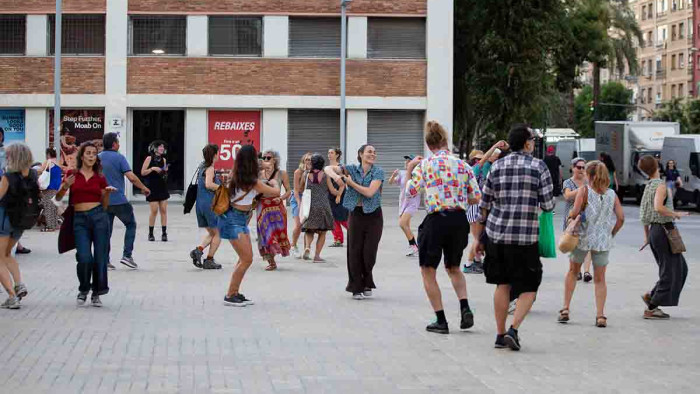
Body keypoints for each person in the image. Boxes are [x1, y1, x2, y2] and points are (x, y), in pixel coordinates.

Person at [473, 124, 555, 351]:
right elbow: (548, 204)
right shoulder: (539, 167)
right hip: (525, 238)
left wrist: (479, 239)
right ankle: (514, 329)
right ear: (527, 143)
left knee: (502, 284)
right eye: (533, 140)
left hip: (497, 236)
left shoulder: (496, 166)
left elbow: (484, 205)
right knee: (530, 286)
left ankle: (499, 335)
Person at [405, 121, 481, 334]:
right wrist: (460, 197)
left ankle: (441, 320)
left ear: (429, 145)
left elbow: (411, 192)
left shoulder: (425, 165)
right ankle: (464, 306)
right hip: (459, 220)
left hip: (436, 220)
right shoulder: (463, 165)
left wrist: (411, 170)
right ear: (446, 142)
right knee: (454, 267)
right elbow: (477, 196)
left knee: (428, 270)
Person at [558, 161, 624, 328]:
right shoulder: (611, 194)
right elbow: (621, 218)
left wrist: (573, 216)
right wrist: (611, 233)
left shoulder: (584, 190)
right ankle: (600, 315)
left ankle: (565, 308)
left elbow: (574, 212)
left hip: (582, 238)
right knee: (600, 279)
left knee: (573, 272)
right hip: (602, 241)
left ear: (591, 175)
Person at [56, 142, 116, 307]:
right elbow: (59, 198)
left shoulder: (100, 177)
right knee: (84, 257)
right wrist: (65, 186)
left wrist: (107, 194)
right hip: (79, 218)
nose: (91, 156)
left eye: (94, 154)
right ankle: (83, 288)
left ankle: (96, 292)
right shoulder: (72, 174)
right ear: (82, 156)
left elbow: (104, 205)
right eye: (88, 153)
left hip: (99, 217)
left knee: (100, 257)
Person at [221, 145, 280, 307]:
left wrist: (263, 167)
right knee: (247, 259)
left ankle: (234, 292)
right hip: (235, 221)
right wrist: (274, 182)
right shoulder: (253, 182)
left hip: (236, 218)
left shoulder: (236, 174)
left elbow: (257, 166)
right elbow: (275, 192)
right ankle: (230, 295)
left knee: (243, 258)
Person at [325, 145, 384, 300]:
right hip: (356, 214)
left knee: (369, 253)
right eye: (369, 151)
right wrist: (338, 178)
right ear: (361, 154)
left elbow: (370, 193)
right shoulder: (350, 168)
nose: (373, 154)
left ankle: (367, 281)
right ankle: (357, 286)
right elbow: (327, 169)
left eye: (374, 152)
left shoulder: (378, 172)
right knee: (354, 251)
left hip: (374, 215)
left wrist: (350, 184)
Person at [638, 155, 689, 320]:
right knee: (670, 271)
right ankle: (652, 307)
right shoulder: (659, 186)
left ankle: (651, 296)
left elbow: (644, 215)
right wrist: (676, 214)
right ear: (657, 165)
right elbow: (658, 207)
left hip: (657, 230)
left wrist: (647, 237)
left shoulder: (649, 186)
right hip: (663, 230)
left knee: (680, 268)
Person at [99, 133, 151, 270]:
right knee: (131, 224)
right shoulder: (119, 158)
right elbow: (131, 177)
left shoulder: (97, 158)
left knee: (106, 231)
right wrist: (144, 188)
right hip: (118, 200)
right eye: (118, 142)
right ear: (114, 144)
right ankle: (127, 256)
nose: (119, 145)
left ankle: (105, 261)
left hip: (103, 201)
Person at [463, 141, 507, 273]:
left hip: (477, 206)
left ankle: (477, 261)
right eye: (480, 158)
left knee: (481, 237)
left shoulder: (486, 168)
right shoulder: (476, 169)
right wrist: (494, 146)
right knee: (477, 238)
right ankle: (469, 264)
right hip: (475, 207)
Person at [0, 143, 35, 309]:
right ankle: (19, 284)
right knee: (7, 254)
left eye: (8, 155)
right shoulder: (33, 175)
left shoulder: (8, 176)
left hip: (5, 220)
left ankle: (12, 296)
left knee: (0, 257)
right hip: (22, 222)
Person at [189, 144, 223, 270]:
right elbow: (209, 184)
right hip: (209, 205)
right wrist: (223, 189)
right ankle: (209, 260)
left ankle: (198, 251)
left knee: (212, 232)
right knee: (218, 233)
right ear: (214, 155)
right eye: (217, 153)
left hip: (201, 205)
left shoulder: (201, 167)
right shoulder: (210, 169)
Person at [257, 150, 292, 271]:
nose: (265, 160)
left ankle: (274, 257)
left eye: (268, 158)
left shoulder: (282, 174)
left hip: (277, 208)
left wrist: (281, 198)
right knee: (265, 235)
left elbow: (289, 191)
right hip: (263, 207)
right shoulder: (259, 174)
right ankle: (271, 261)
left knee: (277, 234)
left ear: (275, 160)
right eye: (264, 158)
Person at [562, 158, 593, 282]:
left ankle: (586, 271)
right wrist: (582, 190)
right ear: (573, 168)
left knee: (587, 244)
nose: (581, 170)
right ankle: (577, 271)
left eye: (583, 167)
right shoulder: (568, 182)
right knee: (573, 244)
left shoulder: (589, 182)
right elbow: (567, 196)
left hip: (587, 215)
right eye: (578, 167)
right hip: (572, 217)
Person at [301, 154, 335, 262]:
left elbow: (302, 189)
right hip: (323, 206)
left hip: (310, 206)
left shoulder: (306, 175)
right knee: (322, 232)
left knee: (309, 230)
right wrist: (340, 192)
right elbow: (332, 191)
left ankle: (307, 247)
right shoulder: (326, 175)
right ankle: (317, 256)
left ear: (312, 163)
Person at [388, 155, 421, 257]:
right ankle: (413, 246)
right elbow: (390, 182)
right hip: (402, 203)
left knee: (402, 224)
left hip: (412, 203)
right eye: (406, 161)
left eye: (409, 161)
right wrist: (393, 176)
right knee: (406, 226)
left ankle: (414, 246)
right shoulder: (402, 173)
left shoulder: (417, 174)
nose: (406, 162)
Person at [141, 140, 170, 242]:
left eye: (163, 147)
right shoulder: (149, 158)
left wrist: (164, 171)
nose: (162, 149)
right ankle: (151, 233)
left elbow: (164, 174)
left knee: (163, 210)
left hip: (162, 186)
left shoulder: (164, 160)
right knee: (154, 210)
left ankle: (164, 233)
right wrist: (152, 169)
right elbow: (143, 172)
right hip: (152, 187)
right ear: (155, 148)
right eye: (160, 147)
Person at [290, 154, 312, 258]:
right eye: (306, 159)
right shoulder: (298, 172)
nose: (308, 161)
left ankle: (306, 249)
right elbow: (296, 189)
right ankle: (293, 246)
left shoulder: (314, 172)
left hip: (308, 198)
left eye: (310, 160)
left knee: (307, 226)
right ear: (303, 161)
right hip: (297, 197)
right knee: (298, 224)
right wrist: (299, 203)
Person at [327, 148, 348, 248]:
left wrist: (339, 195)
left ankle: (357, 235)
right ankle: (338, 240)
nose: (329, 155)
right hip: (330, 196)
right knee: (333, 219)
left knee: (343, 218)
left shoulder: (340, 167)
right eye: (329, 153)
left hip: (341, 195)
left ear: (337, 155)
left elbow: (342, 182)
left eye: (332, 153)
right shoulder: (327, 168)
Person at [38, 147, 63, 232]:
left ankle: (50, 227)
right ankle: (55, 225)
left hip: (49, 187)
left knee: (48, 206)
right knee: (53, 206)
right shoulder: (58, 162)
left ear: (48, 154)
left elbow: (41, 171)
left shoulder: (48, 161)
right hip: (57, 187)